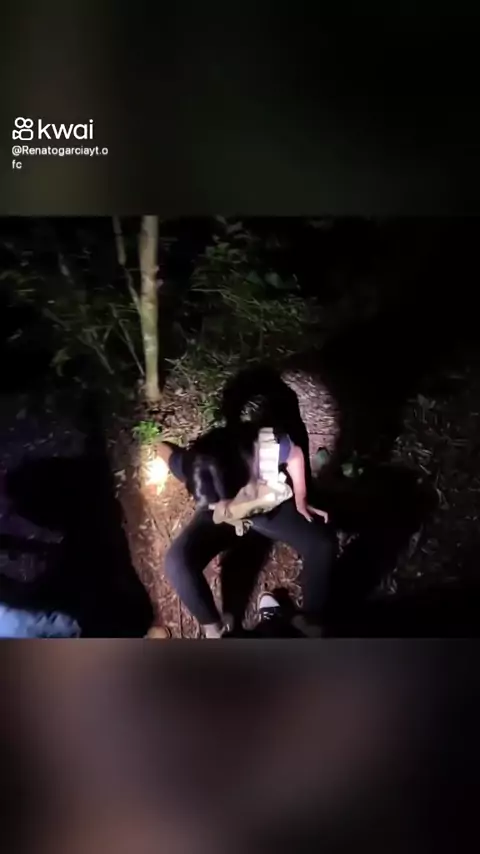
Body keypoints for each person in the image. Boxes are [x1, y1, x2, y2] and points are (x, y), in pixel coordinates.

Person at [160, 420, 336, 638]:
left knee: (322, 544)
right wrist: (220, 507)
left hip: (263, 508)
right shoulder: (197, 465)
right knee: (176, 562)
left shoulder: (266, 447)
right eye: (213, 501)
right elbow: (164, 450)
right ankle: (215, 631)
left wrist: (301, 498)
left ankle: (310, 623)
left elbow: (295, 454)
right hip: (222, 518)